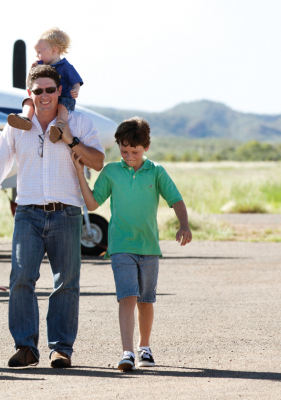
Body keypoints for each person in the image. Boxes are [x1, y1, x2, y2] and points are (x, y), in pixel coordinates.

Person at [0, 65, 105, 368]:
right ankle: (26, 347)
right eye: (38, 91)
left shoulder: (80, 121)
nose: (44, 96)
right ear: (30, 94)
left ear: (60, 91)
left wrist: (71, 139)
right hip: (28, 214)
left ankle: (61, 349)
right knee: (21, 278)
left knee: (66, 282)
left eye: (50, 90)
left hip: (66, 213)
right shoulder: (18, 126)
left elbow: (97, 161)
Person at [72, 117, 192, 371]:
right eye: (123, 150)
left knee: (146, 301)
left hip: (149, 248)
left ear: (146, 147)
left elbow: (176, 200)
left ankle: (144, 348)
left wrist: (184, 224)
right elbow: (93, 204)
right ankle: (127, 353)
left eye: (134, 151)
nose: (128, 156)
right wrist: (80, 174)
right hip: (120, 246)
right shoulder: (111, 172)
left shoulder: (157, 171)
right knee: (127, 297)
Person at [7, 27, 83, 144]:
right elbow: (29, 84)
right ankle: (26, 118)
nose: (37, 55)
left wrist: (75, 90)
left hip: (64, 97)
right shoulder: (40, 66)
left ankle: (59, 128)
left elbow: (76, 81)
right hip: (45, 96)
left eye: (39, 52)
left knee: (62, 107)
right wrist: (31, 70)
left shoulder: (66, 66)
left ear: (54, 50)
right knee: (28, 98)